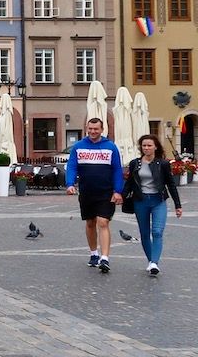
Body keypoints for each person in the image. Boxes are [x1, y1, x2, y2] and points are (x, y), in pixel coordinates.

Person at [65, 117, 123, 273]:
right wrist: (70, 184)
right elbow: (71, 167)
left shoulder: (111, 147)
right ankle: (93, 254)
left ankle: (105, 258)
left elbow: (117, 169)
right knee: (90, 223)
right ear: (86, 128)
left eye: (96, 129)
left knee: (103, 222)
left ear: (102, 130)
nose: (92, 131)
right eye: (90, 128)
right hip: (86, 192)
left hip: (106, 192)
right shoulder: (78, 147)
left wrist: (118, 191)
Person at [122, 134, 182, 276]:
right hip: (140, 201)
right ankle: (151, 262)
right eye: (144, 145)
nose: (147, 148)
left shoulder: (163, 164)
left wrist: (177, 205)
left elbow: (171, 185)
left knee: (157, 231)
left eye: (149, 145)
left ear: (155, 147)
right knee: (144, 233)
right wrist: (120, 196)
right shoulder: (135, 163)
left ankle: (155, 262)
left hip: (158, 201)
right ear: (141, 147)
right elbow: (129, 183)